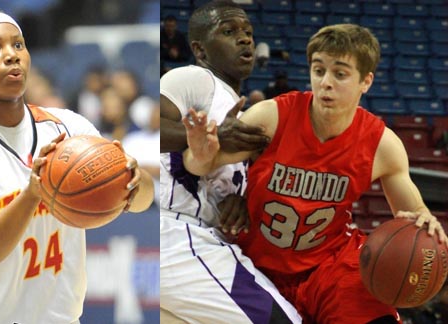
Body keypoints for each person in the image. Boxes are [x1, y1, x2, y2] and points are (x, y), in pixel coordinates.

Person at [182, 23, 448, 324]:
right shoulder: (272, 117)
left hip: (329, 266)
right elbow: (199, 166)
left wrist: (426, 219)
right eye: (318, 70)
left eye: (340, 73)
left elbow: (412, 213)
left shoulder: (382, 144)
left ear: (366, 81)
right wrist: (200, 154)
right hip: (253, 262)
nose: (325, 83)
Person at [0, 9, 154, 323]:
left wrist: (133, 180)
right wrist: (31, 195)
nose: (11, 56)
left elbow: (143, 200)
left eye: (18, 45)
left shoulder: (69, 128)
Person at [160, 1, 300, 323]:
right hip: (177, 231)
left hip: (204, 237)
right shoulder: (193, 78)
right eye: (229, 31)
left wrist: (242, 203)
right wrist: (212, 136)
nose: (245, 39)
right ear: (200, 48)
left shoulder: (242, 107)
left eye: (248, 33)